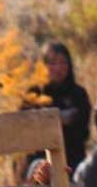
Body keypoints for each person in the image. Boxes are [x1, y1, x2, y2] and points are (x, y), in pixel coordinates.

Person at [23, 41, 92, 171]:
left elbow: (83, 132)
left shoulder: (78, 94)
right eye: (53, 63)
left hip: (71, 160)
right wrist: (57, 120)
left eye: (63, 62)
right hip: (39, 162)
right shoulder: (33, 93)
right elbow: (25, 131)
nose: (58, 68)